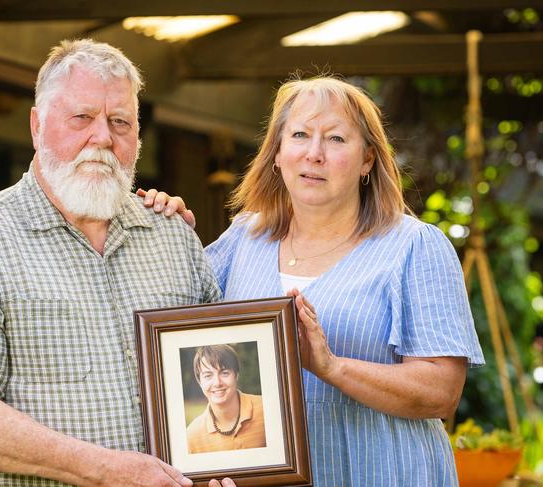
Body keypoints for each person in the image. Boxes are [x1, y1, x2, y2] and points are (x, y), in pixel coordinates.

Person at [0, 39, 235, 487]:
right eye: (82, 118)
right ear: (37, 126)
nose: (102, 137)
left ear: (137, 137)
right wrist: (102, 469)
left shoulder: (173, 236)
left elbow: (211, 368)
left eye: (120, 122)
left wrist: (227, 464)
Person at [140, 76, 485, 486]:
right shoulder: (242, 240)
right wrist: (164, 230)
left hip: (383, 472)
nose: (314, 154)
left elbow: (442, 392)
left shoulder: (414, 248)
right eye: (300, 135)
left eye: (336, 139)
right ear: (278, 154)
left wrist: (331, 367)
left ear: (368, 160)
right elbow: (175, 329)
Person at [186, 344, 266, 454]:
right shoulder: (192, 435)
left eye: (224, 373)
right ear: (200, 382)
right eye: (208, 375)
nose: (217, 383)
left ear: (236, 375)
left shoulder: (266, 408)